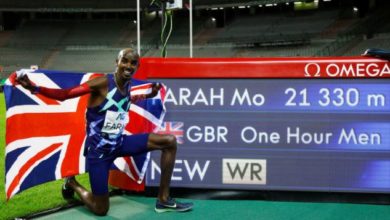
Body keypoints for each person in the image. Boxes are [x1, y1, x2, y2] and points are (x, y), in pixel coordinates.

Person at [16, 48, 193, 216]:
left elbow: (124, 101)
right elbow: (65, 94)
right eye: (125, 61)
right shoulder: (101, 83)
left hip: (120, 143)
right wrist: (34, 88)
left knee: (169, 141)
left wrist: (148, 95)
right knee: (101, 209)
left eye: (133, 63)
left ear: (137, 67)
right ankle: (72, 183)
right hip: (99, 154)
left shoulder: (127, 84)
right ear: (117, 62)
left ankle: (163, 199)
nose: (129, 66)